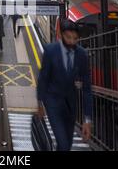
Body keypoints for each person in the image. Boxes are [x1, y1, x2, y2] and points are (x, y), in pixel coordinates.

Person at [37, 19, 92, 151]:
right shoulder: (50, 51)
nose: (72, 42)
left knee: (66, 145)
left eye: (75, 39)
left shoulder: (82, 55)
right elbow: (43, 78)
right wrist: (40, 103)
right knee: (63, 144)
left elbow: (87, 89)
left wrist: (87, 120)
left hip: (71, 106)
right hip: (52, 103)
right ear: (61, 35)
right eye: (68, 38)